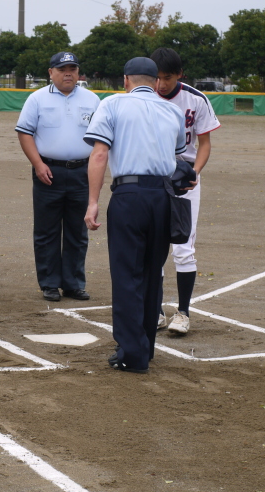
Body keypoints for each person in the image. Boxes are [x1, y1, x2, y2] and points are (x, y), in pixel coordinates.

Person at [84, 57, 187, 373]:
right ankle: (145, 347)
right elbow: (177, 156)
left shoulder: (112, 104)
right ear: (156, 83)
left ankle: (132, 353)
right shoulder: (172, 110)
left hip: (129, 196)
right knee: (152, 274)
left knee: (127, 274)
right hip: (163, 198)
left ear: (126, 80)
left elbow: (100, 154)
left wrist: (92, 201)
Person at [16, 52, 100, 302]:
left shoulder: (92, 99)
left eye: (72, 69)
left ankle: (73, 284)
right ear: (51, 72)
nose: (68, 74)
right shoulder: (37, 98)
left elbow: (102, 138)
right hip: (48, 172)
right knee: (47, 231)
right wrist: (38, 164)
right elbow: (25, 133)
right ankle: (50, 283)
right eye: (62, 69)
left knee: (78, 231)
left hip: (82, 172)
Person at [151, 48, 221, 335]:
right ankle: (155, 310)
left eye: (167, 77)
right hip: (153, 176)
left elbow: (204, 144)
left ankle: (183, 313)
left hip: (185, 178)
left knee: (183, 247)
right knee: (154, 245)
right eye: (157, 77)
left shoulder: (195, 99)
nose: (161, 84)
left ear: (180, 74)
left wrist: (195, 173)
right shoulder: (143, 97)